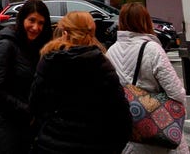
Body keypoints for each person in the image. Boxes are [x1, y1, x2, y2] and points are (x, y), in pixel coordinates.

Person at [29, 11, 130, 153]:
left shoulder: (49, 62)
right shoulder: (101, 65)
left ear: (65, 33)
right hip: (95, 143)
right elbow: (121, 114)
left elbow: (36, 105)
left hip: (53, 144)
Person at [107, 3, 189, 154]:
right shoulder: (152, 50)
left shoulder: (111, 52)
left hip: (128, 130)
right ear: (145, 21)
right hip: (154, 131)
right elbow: (176, 93)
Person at [0, 0, 53, 154]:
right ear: (22, 19)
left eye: (41, 23)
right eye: (32, 20)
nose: (36, 27)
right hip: (10, 128)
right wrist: (27, 111)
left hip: (32, 128)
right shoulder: (6, 45)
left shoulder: (38, 47)